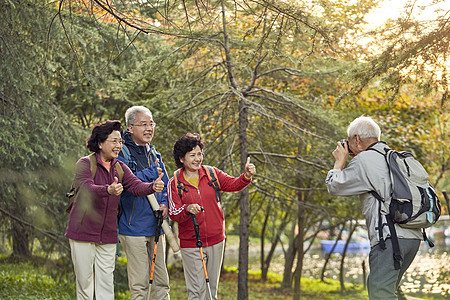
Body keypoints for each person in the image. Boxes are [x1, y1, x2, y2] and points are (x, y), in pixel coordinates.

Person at [65, 120, 164, 300]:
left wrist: (152, 187)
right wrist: (108, 190)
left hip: (108, 235)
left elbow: (136, 187)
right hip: (83, 232)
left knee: (106, 283)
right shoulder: (85, 164)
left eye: (120, 141)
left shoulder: (120, 166)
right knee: (85, 282)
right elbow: (87, 188)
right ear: (101, 143)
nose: (118, 145)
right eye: (114, 141)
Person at [325, 116, 422, 300]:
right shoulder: (395, 157)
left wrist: (340, 161)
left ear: (357, 139)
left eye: (349, 140)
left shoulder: (364, 161)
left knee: (380, 293)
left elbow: (335, 186)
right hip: (413, 237)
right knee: (381, 289)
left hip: (390, 239)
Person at [168, 133, 256, 300]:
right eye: (192, 155)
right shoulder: (175, 182)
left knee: (211, 292)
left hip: (217, 240)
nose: (197, 158)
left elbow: (233, 184)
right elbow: (174, 212)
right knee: (196, 292)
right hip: (192, 244)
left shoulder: (211, 173)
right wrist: (187, 209)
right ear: (181, 158)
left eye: (199, 153)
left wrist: (246, 176)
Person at [117, 106, 171, 300]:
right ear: (130, 127)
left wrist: (164, 204)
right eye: (143, 124)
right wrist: (151, 173)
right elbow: (127, 183)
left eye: (151, 124)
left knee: (161, 283)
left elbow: (164, 184)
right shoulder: (122, 153)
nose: (149, 128)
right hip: (133, 228)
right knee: (139, 285)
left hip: (156, 226)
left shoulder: (154, 153)